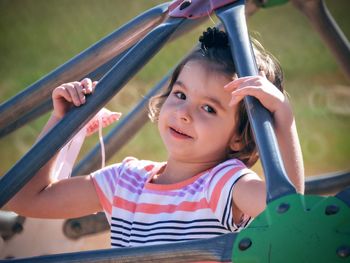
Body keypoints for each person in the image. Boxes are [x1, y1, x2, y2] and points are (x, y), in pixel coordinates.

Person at [5, 27, 304, 248]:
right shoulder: (126, 181)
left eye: (209, 109)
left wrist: (283, 118)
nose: (184, 113)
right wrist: (62, 123)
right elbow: (26, 198)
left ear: (239, 138)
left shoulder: (224, 184)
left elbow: (288, 216)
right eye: (180, 94)